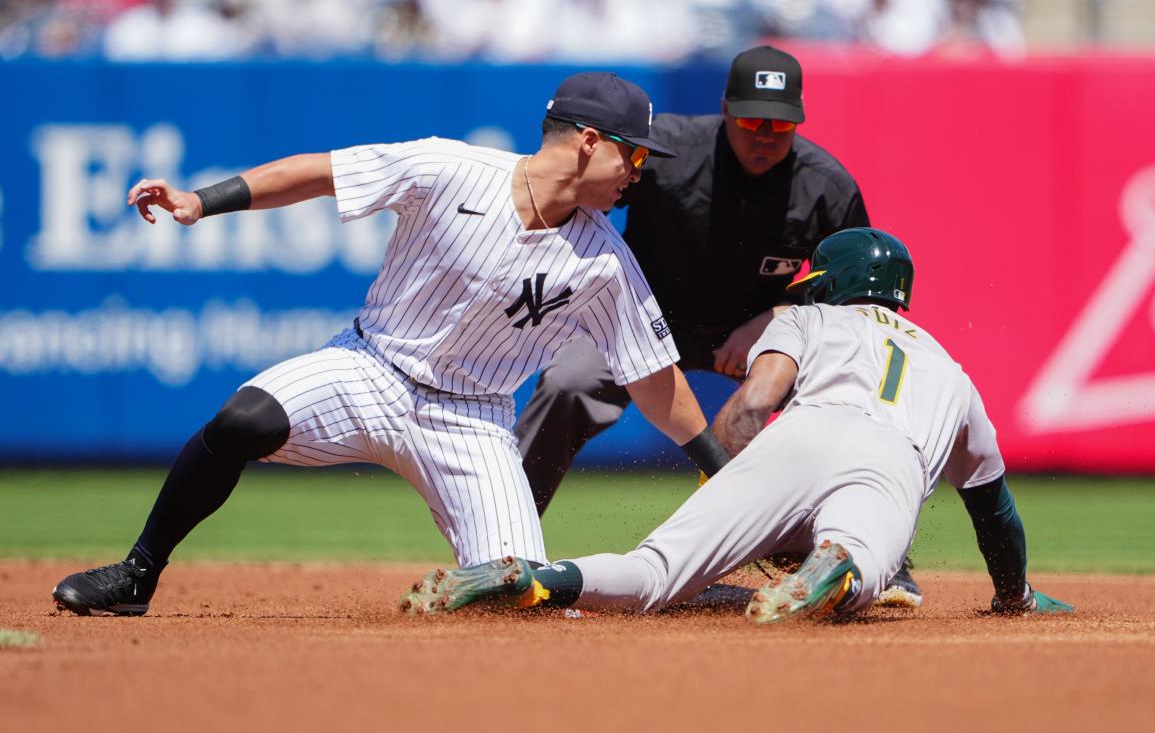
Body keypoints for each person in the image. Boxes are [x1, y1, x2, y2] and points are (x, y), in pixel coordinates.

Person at [52, 72, 733, 617]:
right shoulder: (451, 168)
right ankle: (137, 574)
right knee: (242, 421)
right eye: (633, 152)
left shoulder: (606, 260)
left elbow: (653, 378)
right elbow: (323, 172)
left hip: (473, 421)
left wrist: (716, 466)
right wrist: (202, 201)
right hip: (369, 369)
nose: (638, 171)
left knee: (514, 592)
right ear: (588, 140)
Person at [403, 228, 1074, 623]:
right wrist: (1014, 595)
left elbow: (755, 404)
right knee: (865, 573)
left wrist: (733, 496)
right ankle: (834, 564)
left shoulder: (807, 318)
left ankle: (534, 577)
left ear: (831, 284)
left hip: (799, 432)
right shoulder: (952, 373)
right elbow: (996, 512)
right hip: (890, 459)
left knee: (654, 574)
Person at [516, 45, 921, 607]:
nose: (765, 133)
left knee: (848, 397)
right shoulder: (667, 153)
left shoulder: (825, 185)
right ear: (726, 110)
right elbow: (585, 200)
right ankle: (507, 541)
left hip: (762, 339)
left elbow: (853, 308)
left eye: (780, 123)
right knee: (568, 384)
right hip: (638, 320)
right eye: (752, 119)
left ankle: (885, 561)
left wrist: (780, 318)